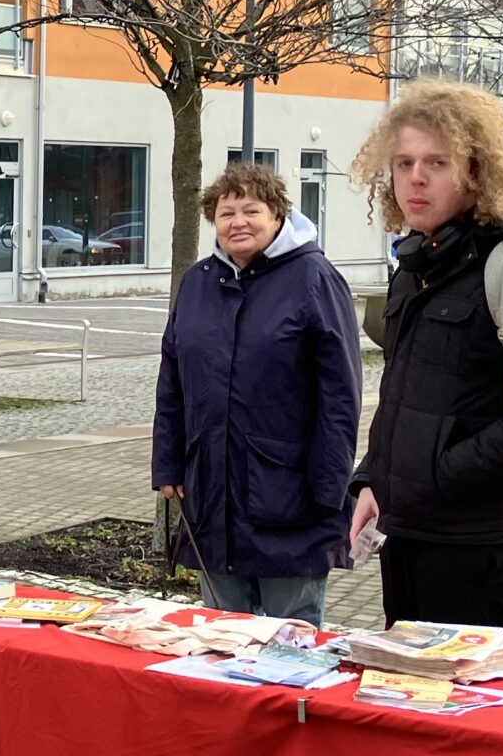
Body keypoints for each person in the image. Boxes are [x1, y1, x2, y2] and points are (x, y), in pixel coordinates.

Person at [347, 84, 503, 634]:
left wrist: (441, 473)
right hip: (409, 532)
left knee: (458, 687)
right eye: (404, 163)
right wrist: (372, 480)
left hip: (485, 544)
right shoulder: (419, 264)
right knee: (405, 683)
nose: (415, 178)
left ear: (477, 171)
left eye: (437, 163)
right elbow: (405, 397)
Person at [153, 161, 362, 623]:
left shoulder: (315, 279)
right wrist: (168, 464)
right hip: (211, 489)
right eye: (226, 213)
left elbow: (340, 396)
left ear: (278, 215)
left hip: (290, 494)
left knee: (291, 640)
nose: (238, 222)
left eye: (252, 211)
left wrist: (329, 489)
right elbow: (172, 382)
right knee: (221, 636)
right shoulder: (197, 282)